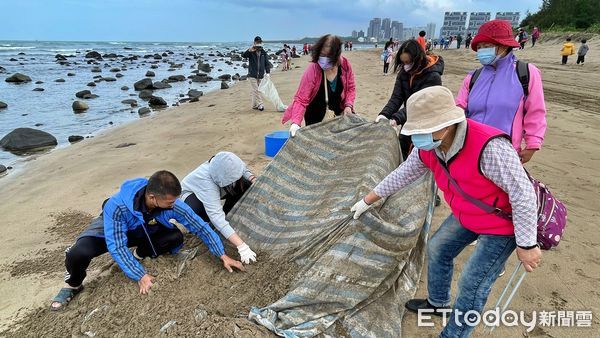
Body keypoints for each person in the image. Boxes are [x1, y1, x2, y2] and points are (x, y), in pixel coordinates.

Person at [351, 86, 541, 338]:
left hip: (501, 223)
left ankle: (453, 334)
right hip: (468, 214)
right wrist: (367, 200)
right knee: (438, 248)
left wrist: (527, 244)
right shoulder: (428, 148)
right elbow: (403, 174)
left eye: (423, 129)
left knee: (472, 284)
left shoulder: (490, 147)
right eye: (416, 130)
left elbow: (523, 194)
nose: (418, 137)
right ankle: (438, 302)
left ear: (448, 124)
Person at [50, 171, 244, 310]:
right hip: (113, 228)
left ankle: (138, 253)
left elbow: (198, 225)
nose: (174, 205)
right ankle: (73, 285)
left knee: (174, 237)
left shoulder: (170, 201)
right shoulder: (117, 206)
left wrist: (222, 254)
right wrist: (140, 275)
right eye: (170, 203)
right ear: (152, 197)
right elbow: (116, 245)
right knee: (78, 253)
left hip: (141, 228)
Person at [456, 19, 547, 163]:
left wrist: (532, 144)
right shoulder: (472, 77)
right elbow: (459, 108)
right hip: (471, 150)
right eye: (479, 47)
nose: (482, 50)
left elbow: (535, 111)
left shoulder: (526, 72)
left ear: (504, 46)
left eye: (487, 46)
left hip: (505, 153)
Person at [181, 152, 257, 264]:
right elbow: (216, 216)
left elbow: (241, 169)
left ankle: (228, 220)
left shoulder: (226, 159)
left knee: (246, 184)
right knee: (206, 217)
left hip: (219, 188)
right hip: (192, 196)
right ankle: (214, 229)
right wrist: (242, 247)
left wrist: (252, 178)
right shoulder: (206, 183)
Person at [375, 39, 444, 159]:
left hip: (427, 127)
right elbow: (396, 98)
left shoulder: (433, 77)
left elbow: (421, 105)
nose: (406, 66)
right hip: (408, 122)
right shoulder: (404, 72)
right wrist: (384, 115)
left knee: (421, 158)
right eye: (403, 62)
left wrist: (397, 118)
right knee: (402, 152)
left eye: (408, 62)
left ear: (418, 59)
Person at [282, 34, 356, 137]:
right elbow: (301, 99)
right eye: (322, 55)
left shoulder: (345, 66)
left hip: (338, 116)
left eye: (327, 56)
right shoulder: (313, 69)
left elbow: (351, 88)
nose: (323, 59)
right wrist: (295, 123)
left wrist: (348, 105)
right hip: (315, 118)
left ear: (336, 55)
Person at [242, 36, 271, 111]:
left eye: (260, 42)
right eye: (257, 42)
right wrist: (249, 50)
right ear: (254, 43)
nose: (259, 43)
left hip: (260, 75)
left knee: (257, 90)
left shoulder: (263, 53)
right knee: (256, 89)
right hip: (252, 74)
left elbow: (266, 63)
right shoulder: (251, 52)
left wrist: (268, 72)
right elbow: (243, 56)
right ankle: (260, 104)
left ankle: (254, 105)